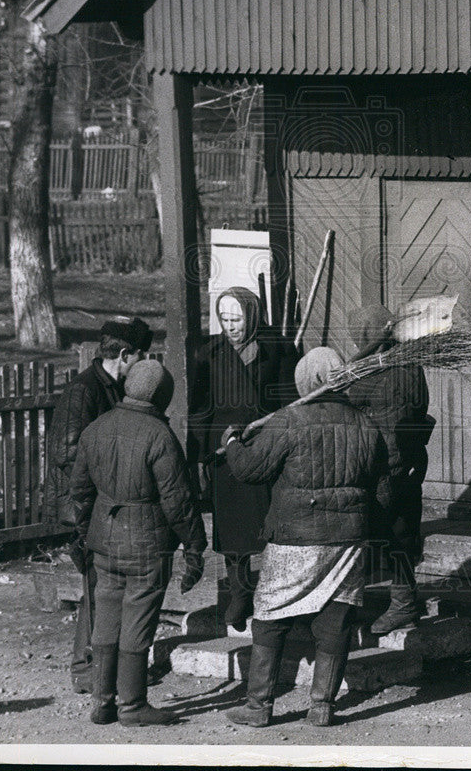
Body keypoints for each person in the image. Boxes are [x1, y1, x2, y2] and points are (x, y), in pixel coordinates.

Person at [223, 347, 391, 728]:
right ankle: (322, 706)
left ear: (305, 382)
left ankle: (258, 706)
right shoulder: (367, 425)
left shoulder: (288, 421)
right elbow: (383, 490)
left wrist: (233, 443)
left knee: (270, 617)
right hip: (348, 541)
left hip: (294, 537)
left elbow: (249, 470)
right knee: (336, 619)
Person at [70, 359, 207, 727]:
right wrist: (195, 547)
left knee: (107, 618)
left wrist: (85, 536)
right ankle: (132, 706)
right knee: (138, 622)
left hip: (104, 541)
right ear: (162, 396)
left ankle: (102, 701)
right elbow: (178, 502)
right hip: (147, 544)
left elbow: (80, 493)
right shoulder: (160, 436)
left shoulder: (96, 429)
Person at [42, 316, 153, 694]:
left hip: (94, 505)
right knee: (96, 588)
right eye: (141, 357)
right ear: (124, 355)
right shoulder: (84, 391)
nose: (144, 364)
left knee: (101, 586)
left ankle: (98, 666)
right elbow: (67, 454)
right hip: (82, 509)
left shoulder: (108, 387)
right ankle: (85, 668)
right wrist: (93, 502)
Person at [188, 287, 298, 631]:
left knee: (270, 526)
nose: (231, 326)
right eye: (225, 319)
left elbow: (291, 401)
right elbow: (200, 409)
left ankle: (275, 593)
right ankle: (239, 593)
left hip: (266, 449)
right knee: (233, 530)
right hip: (227, 452)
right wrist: (201, 456)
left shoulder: (278, 348)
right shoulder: (210, 353)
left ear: (252, 315)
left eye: (237, 318)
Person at [346, 305, 433, 634]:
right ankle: (402, 602)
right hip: (408, 462)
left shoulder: (376, 371)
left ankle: (396, 605)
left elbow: (383, 421)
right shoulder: (409, 361)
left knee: (376, 533)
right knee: (401, 533)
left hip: (386, 465)